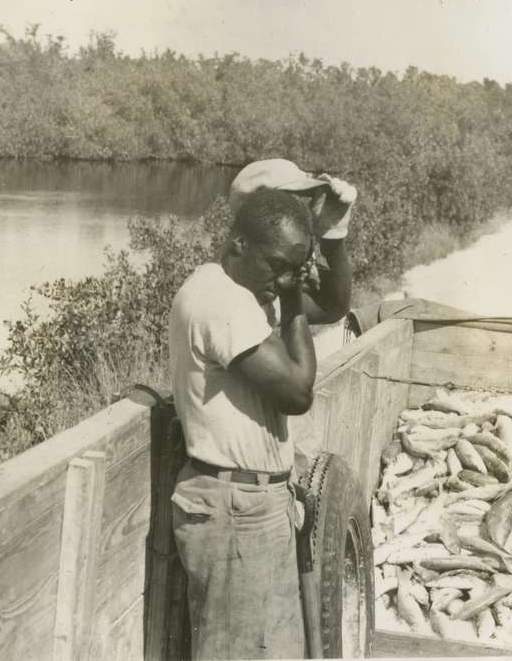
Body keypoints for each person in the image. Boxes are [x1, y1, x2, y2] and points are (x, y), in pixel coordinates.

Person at [167, 159, 356, 659]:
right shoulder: (220, 299)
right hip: (233, 508)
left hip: (259, 503)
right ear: (240, 238)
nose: (289, 278)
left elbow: (334, 307)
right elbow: (297, 392)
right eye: (281, 265)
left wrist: (334, 234)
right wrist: (293, 299)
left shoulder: (254, 289)